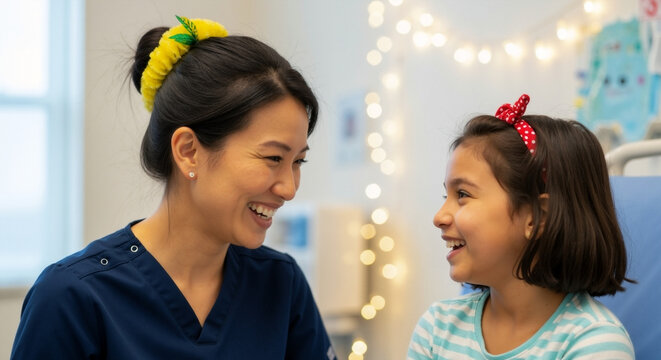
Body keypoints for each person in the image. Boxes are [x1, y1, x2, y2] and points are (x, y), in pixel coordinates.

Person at [12, 16, 336, 359]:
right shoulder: (72, 298)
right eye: (273, 158)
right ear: (188, 152)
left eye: (298, 161)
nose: (289, 188)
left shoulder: (280, 284)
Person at [407, 94, 635, 359]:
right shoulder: (437, 328)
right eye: (446, 196)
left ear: (537, 218)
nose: (439, 217)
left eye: (463, 195)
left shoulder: (596, 342)